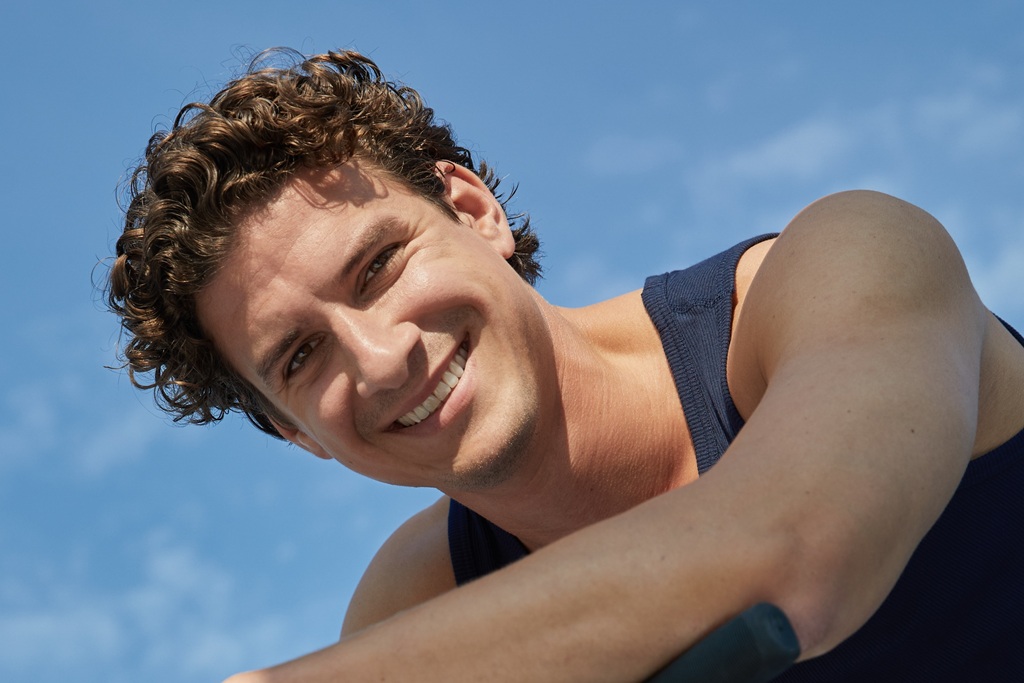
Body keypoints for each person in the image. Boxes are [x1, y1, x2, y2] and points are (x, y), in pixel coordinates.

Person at [107, 49, 1024, 682]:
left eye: (379, 266)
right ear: (294, 431)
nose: (382, 358)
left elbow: (792, 552)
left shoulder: (842, 263)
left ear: (475, 213)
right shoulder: (414, 600)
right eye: (302, 355)